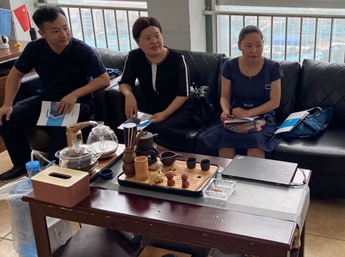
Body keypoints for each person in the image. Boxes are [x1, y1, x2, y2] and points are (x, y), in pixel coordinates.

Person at [0, 5, 110, 181]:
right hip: (47, 99)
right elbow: (15, 75)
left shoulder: (81, 50)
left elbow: (103, 79)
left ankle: (54, 171)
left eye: (65, 28)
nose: (64, 34)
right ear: (42, 33)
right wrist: (7, 104)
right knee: (6, 118)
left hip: (79, 103)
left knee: (59, 132)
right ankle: (21, 164)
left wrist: (74, 94)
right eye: (56, 31)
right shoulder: (35, 48)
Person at [202, 25, 283, 158]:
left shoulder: (272, 68)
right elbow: (224, 97)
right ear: (239, 46)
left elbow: (275, 102)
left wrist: (249, 113)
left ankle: (251, 173)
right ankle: (225, 172)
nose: (254, 50)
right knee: (225, 140)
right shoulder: (230, 66)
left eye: (258, 45)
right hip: (236, 118)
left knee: (255, 141)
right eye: (248, 46)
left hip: (263, 118)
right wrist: (225, 111)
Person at [118, 16, 193, 150]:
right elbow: (125, 82)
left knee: (160, 130)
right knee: (131, 129)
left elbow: (184, 94)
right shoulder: (134, 57)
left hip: (178, 109)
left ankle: (166, 158)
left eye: (157, 36)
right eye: (148, 38)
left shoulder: (177, 59)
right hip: (151, 108)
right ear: (138, 42)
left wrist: (164, 114)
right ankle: (148, 158)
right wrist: (128, 95)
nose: (154, 41)